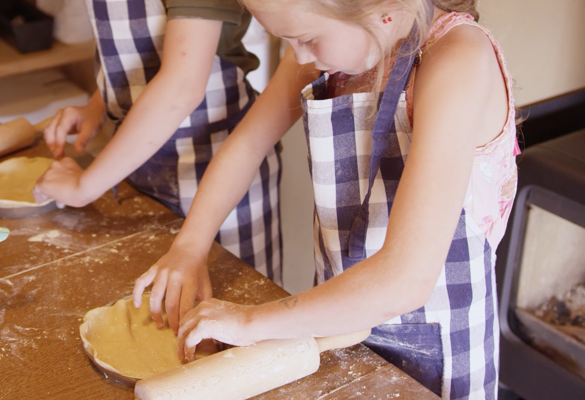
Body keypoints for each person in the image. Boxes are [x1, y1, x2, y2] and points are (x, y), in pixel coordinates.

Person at [133, 0, 519, 398]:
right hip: (330, 322)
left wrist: (248, 322)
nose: (299, 56)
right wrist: (190, 245)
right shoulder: (327, 48)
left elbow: (406, 280)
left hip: (435, 350)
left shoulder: (458, 60)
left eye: (307, 39)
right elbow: (247, 145)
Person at [32, 0, 283, 293]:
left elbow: (182, 87)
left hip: (217, 167)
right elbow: (141, 51)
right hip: (137, 161)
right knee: (147, 302)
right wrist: (98, 104)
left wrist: (82, 188)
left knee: (230, 305)